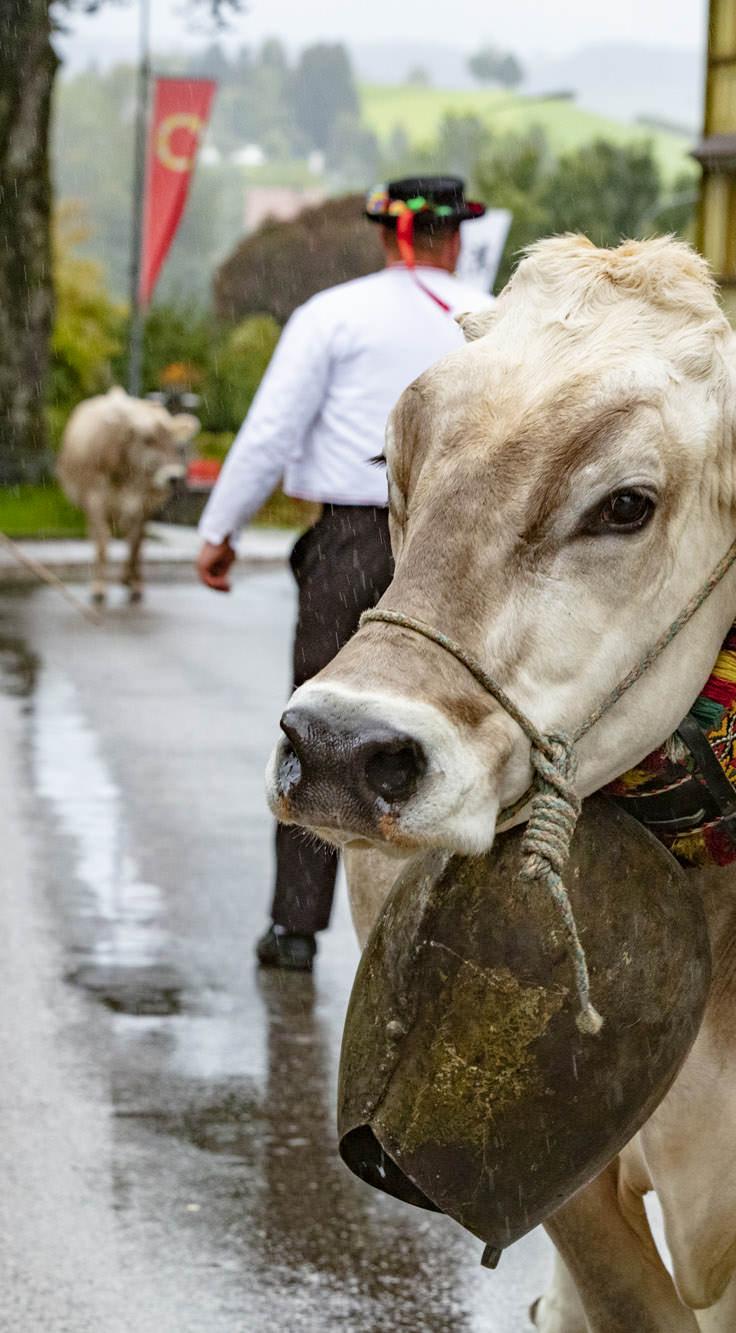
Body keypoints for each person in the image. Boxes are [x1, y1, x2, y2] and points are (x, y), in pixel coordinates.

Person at [195, 176, 496, 973]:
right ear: (454, 236)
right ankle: (457, 930)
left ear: (389, 234)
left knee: (319, 726)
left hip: (353, 542)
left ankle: (295, 927)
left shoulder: (332, 314)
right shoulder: (492, 318)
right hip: (460, 545)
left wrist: (220, 529)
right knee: (469, 725)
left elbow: (271, 429)